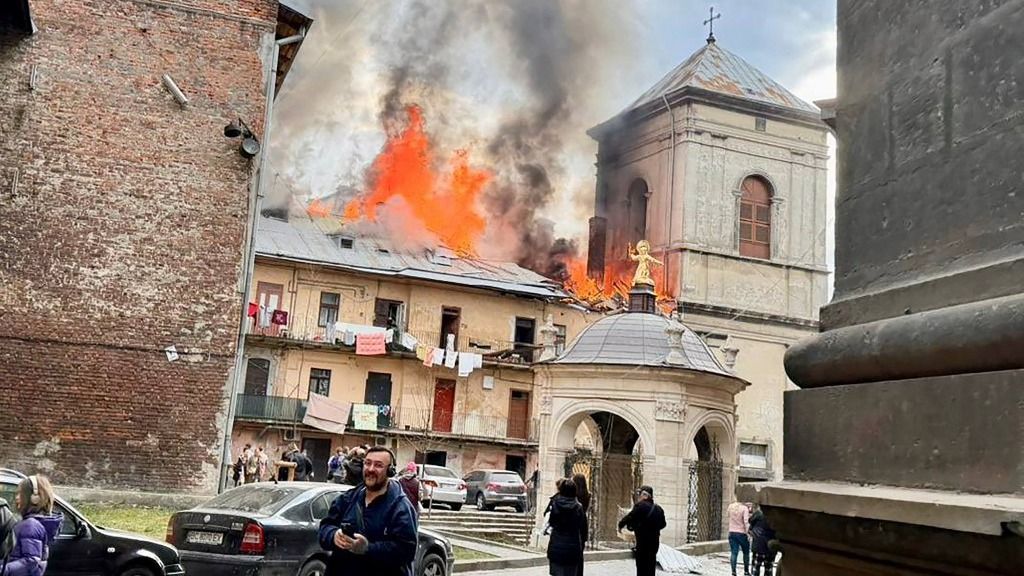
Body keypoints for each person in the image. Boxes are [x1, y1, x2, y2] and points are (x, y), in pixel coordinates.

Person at [318, 447, 418, 576]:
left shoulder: (400, 507)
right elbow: (325, 527)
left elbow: (406, 550)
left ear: (390, 471)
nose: (371, 469)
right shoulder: (347, 499)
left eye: (378, 465)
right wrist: (333, 535)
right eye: (368, 463)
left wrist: (367, 549)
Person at [2, 475, 63, 576]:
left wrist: (3, 570)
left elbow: (31, 561)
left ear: (35, 498)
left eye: (21, 494)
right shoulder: (33, 523)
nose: (17, 497)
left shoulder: (31, 525)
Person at [617, 485, 665, 576]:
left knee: (641, 566)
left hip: (643, 542)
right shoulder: (659, 509)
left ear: (646, 496)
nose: (639, 497)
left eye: (640, 494)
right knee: (651, 565)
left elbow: (629, 517)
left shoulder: (640, 506)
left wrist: (620, 525)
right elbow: (663, 524)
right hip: (654, 542)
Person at [546, 478, 587, 576]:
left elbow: (551, 522)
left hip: (556, 546)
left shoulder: (555, 504)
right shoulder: (578, 507)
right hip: (572, 548)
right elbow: (582, 526)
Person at [748, 504, 777, 576]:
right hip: (770, 547)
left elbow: (750, 525)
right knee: (769, 569)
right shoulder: (775, 517)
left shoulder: (757, 516)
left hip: (759, 546)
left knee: (755, 568)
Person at [727, 500, 751, 576]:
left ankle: (733, 572)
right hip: (742, 533)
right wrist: (749, 533)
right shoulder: (744, 508)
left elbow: (728, 517)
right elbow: (746, 522)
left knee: (734, 553)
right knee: (746, 553)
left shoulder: (730, 507)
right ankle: (746, 571)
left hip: (732, 532)